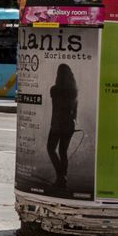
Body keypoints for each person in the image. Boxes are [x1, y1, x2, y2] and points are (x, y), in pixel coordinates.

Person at [46, 63, 78, 191]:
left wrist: (53, 124)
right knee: (63, 151)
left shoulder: (54, 90)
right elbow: (75, 110)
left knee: (50, 148)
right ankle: (63, 178)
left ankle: (61, 177)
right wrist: (74, 122)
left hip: (58, 123)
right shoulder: (74, 90)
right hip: (69, 124)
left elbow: (56, 109)